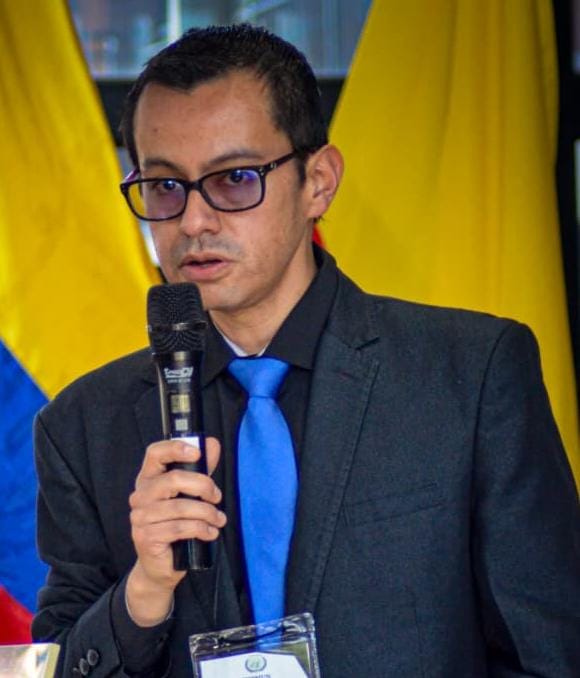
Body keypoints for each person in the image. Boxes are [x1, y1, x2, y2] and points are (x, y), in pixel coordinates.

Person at [32, 23, 580, 677]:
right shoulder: (82, 424)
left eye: (234, 178)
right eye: (165, 187)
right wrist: (143, 592)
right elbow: (58, 660)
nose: (193, 221)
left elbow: (548, 655)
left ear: (318, 181)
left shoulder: (471, 374)